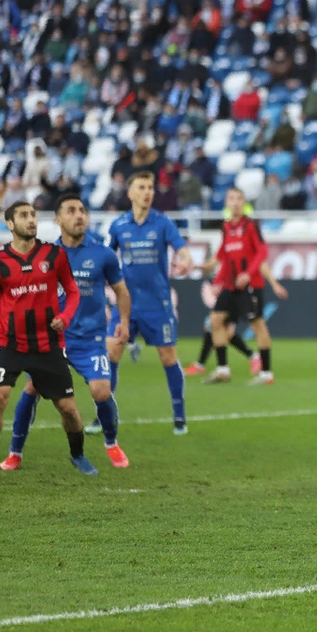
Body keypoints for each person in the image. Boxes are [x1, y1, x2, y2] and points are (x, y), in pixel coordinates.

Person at [0, 195, 132, 471]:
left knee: (100, 391)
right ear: (58, 220)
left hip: (90, 339)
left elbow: (120, 290)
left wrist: (123, 321)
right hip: (49, 340)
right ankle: (15, 452)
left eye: (83, 210)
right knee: (31, 388)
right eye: (72, 211)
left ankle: (111, 443)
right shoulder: (45, 253)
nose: (80, 216)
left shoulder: (102, 254)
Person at [0, 202, 95, 475]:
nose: (31, 220)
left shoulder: (54, 255)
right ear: (10, 224)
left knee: (68, 410)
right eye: (23, 216)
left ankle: (78, 454)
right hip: (11, 344)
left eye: (33, 215)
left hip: (47, 345)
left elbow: (73, 291)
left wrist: (65, 317)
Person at [105, 171, 194, 435]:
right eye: (142, 187)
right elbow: (108, 257)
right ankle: (104, 415)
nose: (148, 192)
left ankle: (179, 416)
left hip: (158, 305)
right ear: (130, 193)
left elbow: (181, 248)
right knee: (112, 353)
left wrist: (186, 260)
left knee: (168, 358)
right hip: (126, 305)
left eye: (151, 187)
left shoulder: (163, 223)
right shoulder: (118, 225)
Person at [201, 188, 283, 385]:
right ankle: (222, 369)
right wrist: (214, 277)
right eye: (231, 198)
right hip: (231, 285)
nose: (235, 202)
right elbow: (224, 256)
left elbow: (262, 251)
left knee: (258, 325)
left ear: (244, 202)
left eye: (239, 199)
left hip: (251, 285)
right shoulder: (226, 227)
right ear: (227, 203)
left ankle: (266, 373)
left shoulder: (251, 225)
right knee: (215, 320)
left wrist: (248, 273)